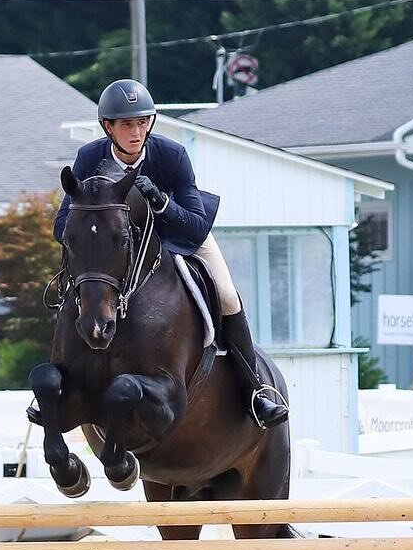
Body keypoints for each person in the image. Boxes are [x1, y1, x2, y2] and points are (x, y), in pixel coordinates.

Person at [53, 79, 288, 429]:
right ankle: (58, 383)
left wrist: (161, 203)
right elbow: (62, 225)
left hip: (178, 237)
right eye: (127, 124)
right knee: (80, 292)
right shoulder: (90, 157)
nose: (136, 131)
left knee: (225, 294)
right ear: (108, 127)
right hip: (119, 248)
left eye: (143, 122)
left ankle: (255, 389)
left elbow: (194, 225)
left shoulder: (170, 154)